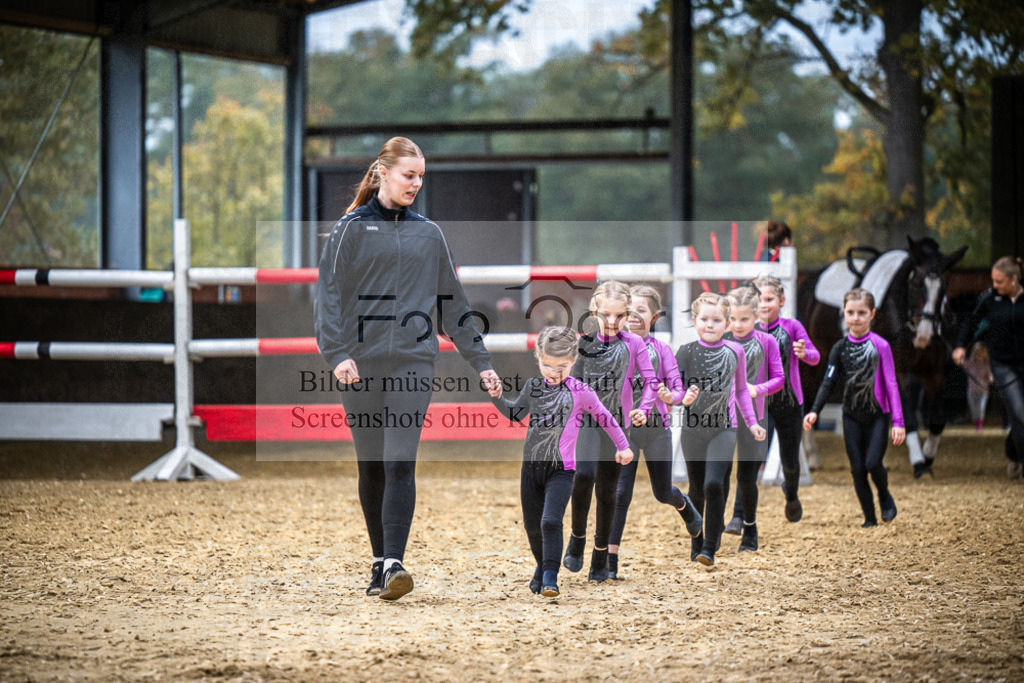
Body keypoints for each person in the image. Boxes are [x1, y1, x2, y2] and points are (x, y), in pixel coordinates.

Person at [313, 137, 502, 601]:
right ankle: (379, 563)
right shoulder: (349, 230)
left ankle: (395, 560)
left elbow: (453, 305)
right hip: (359, 364)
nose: (416, 184)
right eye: (408, 175)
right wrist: (337, 354)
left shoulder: (430, 234)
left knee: (400, 460)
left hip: (414, 364)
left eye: (421, 177)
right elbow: (329, 297)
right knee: (371, 464)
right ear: (383, 172)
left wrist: (481, 362)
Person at [491, 327, 634, 598]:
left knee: (549, 522)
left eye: (561, 366)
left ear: (572, 361)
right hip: (531, 469)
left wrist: (623, 446)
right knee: (532, 525)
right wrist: (496, 396)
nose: (553, 372)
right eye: (546, 365)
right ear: (538, 359)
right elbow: (514, 413)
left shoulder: (581, 391)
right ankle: (541, 567)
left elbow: (605, 418)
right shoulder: (533, 387)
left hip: (562, 470)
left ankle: (550, 578)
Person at [606, 285, 703, 580]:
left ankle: (687, 509)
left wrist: (672, 396)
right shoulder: (613, 347)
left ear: (655, 316)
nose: (634, 315)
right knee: (620, 494)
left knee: (662, 492)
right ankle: (610, 561)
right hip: (625, 432)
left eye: (642, 310)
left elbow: (677, 388)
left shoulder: (662, 351)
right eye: (630, 309)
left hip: (656, 429)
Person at [662, 292, 766, 567]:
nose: (710, 324)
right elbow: (674, 388)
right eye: (704, 319)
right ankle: (696, 545)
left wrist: (753, 422)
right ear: (695, 321)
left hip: (724, 428)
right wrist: (679, 398)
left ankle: (710, 546)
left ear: (727, 324)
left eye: (717, 320)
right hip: (693, 428)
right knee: (696, 487)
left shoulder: (736, 351)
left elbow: (742, 390)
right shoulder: (685, 352)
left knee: (713, 483)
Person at [563, 281, 658, 583]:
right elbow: (572, 383)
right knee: (584, 475)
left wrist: (644, 408)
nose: (612, 322)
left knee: (608, 491)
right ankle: (577, 537)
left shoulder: (634, 344)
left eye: (620, 316)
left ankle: (600, 554)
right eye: (606, 315)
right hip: (589, 421)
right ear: (594, 311)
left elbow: (651, 381)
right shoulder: (584, 344)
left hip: (619, 425)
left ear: (628, 314)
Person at [804, 288, 905, 527]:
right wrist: (814, 410)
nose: (856, 318)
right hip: (851, 416)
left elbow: (891, 384)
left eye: (861, 313)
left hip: (877, 416)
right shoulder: (839, 348)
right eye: (851, 312)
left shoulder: (881, 346)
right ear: (843, 313)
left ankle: (884, 494)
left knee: (872, 464)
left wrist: (898, 422)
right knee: (857, 469)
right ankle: (869, 517)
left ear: (872, 314)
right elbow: (827, 381)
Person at [721, 285, 784, 551]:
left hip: (755, 418)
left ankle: (750, 529)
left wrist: (758, 389)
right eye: (732, 319)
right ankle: (713, 529)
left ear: (757, 315)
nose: (737, 325)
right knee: (720, 475)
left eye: (744, 319)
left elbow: (779, 379)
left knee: (747, 477)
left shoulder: (766, 342)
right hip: (722, 418)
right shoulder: (720, 340)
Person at [753, 275, 820, 522]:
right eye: (759, 299)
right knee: (753, 456)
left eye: (769, 299)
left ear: (781, 300)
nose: (763, 304)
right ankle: (741, 514)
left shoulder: (792, 327)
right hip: (760, 405)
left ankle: (791, 495)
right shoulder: (748, 328)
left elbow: (815, 357)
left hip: (790, 403)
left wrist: (804, 353)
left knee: (790, 463)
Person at [953, 256, 1024, 479]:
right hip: (1003, 365)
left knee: (1019, 417)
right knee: (1020, 412)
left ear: (1014, 279)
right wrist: (961, 346)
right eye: (993, 281)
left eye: (999, 281)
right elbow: (971, 322)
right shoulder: (989, 298)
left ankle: (1013, 453)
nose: (994, 285)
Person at [963, 344, 994, 432]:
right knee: (974, 409)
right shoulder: (970, 363)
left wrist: (990, 379)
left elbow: (990, 377)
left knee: (981, 408)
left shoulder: (986, 365)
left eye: (981, 354)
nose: (979, 356)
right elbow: (961, 364)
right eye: (977, 353)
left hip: (983, 391)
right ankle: (976, 422)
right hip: (971, 391)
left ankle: (979, 426)